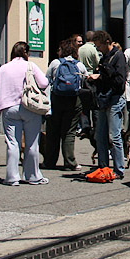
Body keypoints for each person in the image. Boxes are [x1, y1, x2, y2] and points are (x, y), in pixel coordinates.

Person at [0, 41, 49, 186]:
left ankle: (12, 177)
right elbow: (44, 83)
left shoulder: (3, 69)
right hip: (29, 107)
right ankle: (33, 176)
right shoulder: (30, 66)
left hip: (9, 108)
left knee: (12, 143)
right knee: (32, 144)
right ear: (26, 53)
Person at [43, 37, 89, 171]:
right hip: (74, 100)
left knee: (53, 132)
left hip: (56, 99)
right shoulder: (79, 65)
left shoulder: (55, 63)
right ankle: (70, 162)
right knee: (69, 132)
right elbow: (85, 79)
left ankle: (49, 161)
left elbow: (46, 81)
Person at [87, 29, 127, 181]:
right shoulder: (104, 58)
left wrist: (104, 73)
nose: (98, 49)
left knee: (114, 135)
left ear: (107, 43)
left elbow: (119, 81)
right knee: (100, 134)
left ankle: (119, 169)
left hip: (115, 98)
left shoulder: (118, 57)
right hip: (103, 98)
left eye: (99, 46)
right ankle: (103, 166)